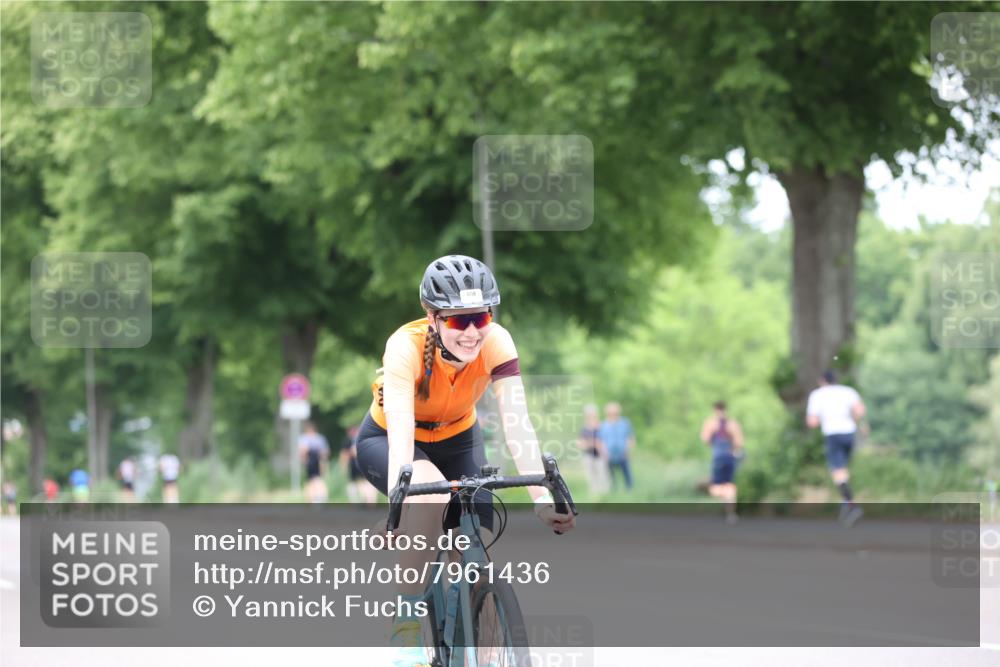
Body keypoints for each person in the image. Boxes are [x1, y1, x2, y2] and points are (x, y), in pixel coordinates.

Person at [356, 255, 575, 667]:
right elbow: (402, 435)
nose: (472, 331)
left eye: (481, 317)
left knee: (472, 539)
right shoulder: (403, 346)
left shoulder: (497, 342)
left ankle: (471, 634)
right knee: (428, 499)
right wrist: (398, 508)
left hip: (459, 439)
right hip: (392, 440)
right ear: (433, 317)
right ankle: (405, 625)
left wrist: (541, 499)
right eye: (458, 321)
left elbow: (518, 425)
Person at [806, 370, 867, 526]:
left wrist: (822, 417)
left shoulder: (818, 395)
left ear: (822, 381)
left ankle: (851, 505)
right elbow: (860, 411)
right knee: (844, 470)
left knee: (838, 472)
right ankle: (845, 504)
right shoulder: (848, 391)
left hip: (833, 434)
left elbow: (812, 422)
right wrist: (858, 422)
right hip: (849, 433)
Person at [700, 400, 744, 524]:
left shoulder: (711, 423)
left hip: (720, 457)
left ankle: (728, 510)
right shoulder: (732, 424)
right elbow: (739, 443)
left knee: (719, 487)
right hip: (729, 456)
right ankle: (730, 513)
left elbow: (704, 439)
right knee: (728, 486)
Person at [599, 402, 635, 490]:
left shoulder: (625, 423)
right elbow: (601, 440)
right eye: (611, 412)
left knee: (626, 473)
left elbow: (630, 437)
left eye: (615, 412)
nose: (613, 414)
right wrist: (604, 452)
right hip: (609, 454)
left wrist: (628, 449)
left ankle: (629, 489)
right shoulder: (604, 425)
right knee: (610, 475)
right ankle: (613, 489)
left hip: (623, 452)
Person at [340, 424, 377, 506]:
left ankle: (367, 501)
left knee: (361, 484)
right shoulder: (363, 439)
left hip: (359, 465)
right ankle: (368, 501)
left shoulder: (354, 440)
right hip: (361, 465)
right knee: (361, 483)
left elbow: (348, 454)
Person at [578, 404, 609, 495]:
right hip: (588, 456)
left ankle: (605, 495)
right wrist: (593, 443)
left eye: (593, 414)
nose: (591, 416)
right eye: (589, 414)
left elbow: (605, 442)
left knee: (603, 475)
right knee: (591, 476)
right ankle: (595, 495)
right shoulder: (584, 428)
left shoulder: (602, 426)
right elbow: (581, 444)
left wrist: (592, 443)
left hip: (600, 455)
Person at [298, 421, 330, 503]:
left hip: (313, 460)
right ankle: (315, 498)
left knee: (315, 480)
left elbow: (303, 451)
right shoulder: (319, 438)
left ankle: (316, 498)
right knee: (315, 480)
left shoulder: (305, 438)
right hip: (315, 460)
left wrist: (303, 460)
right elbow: (325, 452)